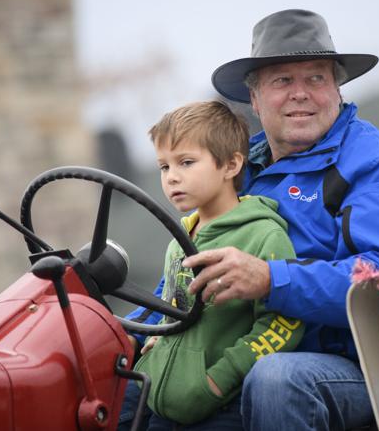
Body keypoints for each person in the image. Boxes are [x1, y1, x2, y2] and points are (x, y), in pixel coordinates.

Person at [177, 9, 379, 430]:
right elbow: (184, 266)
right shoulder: (234, 170)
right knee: (128, 382)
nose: (300, 93)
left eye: (315, 78)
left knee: (278, 378)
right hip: (240, 355)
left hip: (363, 371)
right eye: (282, 80)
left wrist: (271, 279)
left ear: (336, 89)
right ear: (255, 98)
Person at [118, 100, 304, 430]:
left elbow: (282, 326)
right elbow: (174, 308)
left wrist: (219, 380)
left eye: (186, 162)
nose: (172, 178)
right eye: (164, 167)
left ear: (231, 165)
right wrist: (156, 343)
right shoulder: (179, 240)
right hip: (160, 401)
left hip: (219, 407)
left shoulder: (263, 234)